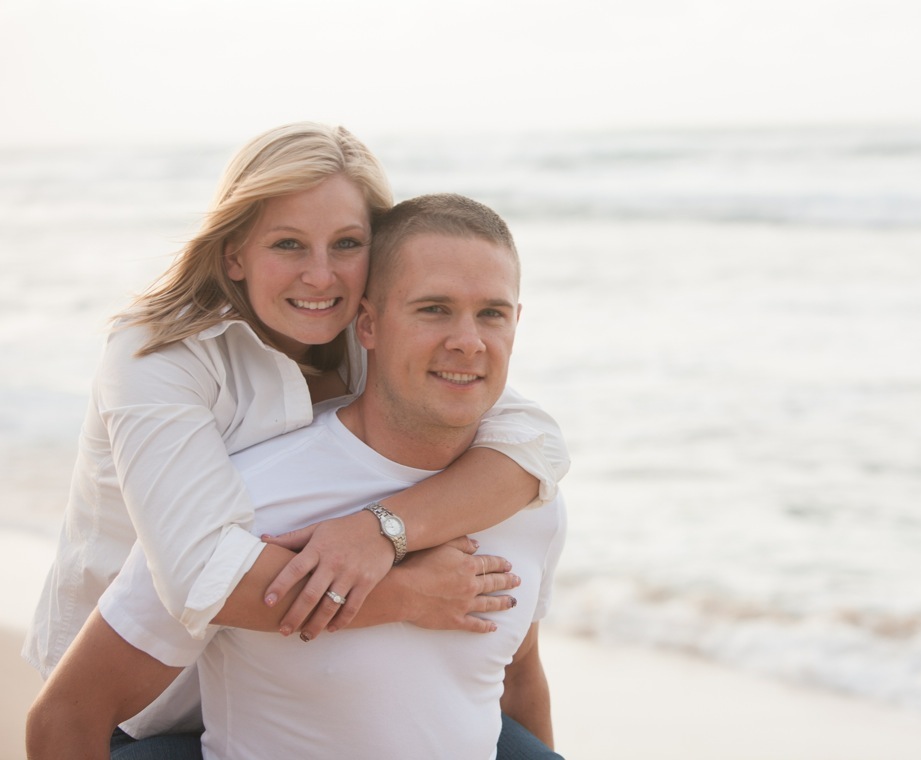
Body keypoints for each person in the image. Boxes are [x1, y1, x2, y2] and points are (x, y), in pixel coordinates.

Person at [23, 124, 568, 755]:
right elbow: (203, 574)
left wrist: (380, 529)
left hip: (297, 676)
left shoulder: (376, 342)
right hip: (145, 698)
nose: (320, 275)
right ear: (234, 254)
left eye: (346, 244)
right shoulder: (158, 360)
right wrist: (408, 592)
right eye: (288, 244)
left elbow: (534, 444)